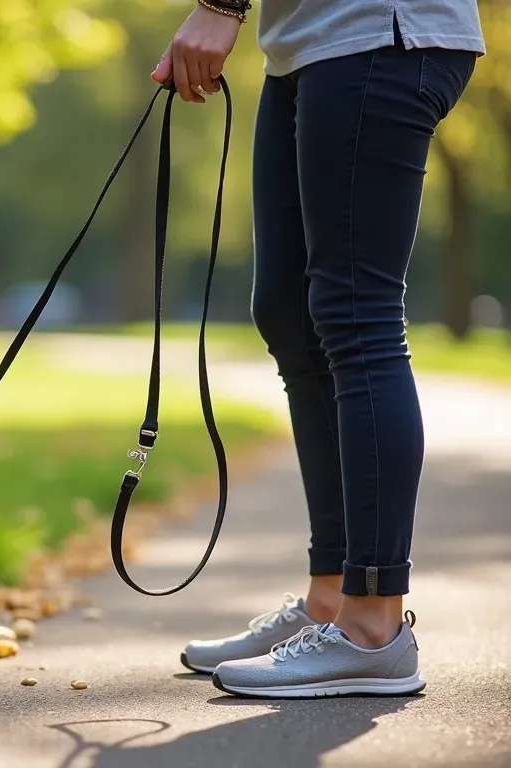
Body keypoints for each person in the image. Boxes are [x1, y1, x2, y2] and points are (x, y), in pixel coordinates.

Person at [154, 0, 485, 698]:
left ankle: (373, 626)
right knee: (287, 313)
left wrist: (220, 5)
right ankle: (331, 599)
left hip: (381, 30)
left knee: (357, 314)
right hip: (305, 44)